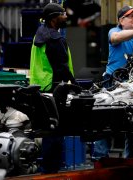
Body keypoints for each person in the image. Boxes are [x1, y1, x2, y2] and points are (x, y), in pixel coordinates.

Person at [92, 5, 133, 159]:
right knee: (104, 121)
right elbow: (115, 39)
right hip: (112, 84)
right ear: (121, 20)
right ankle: (100, 160)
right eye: (131, 16)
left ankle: (131, 161)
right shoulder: (115, 31)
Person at [29, 2, 76, 173]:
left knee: (48, 131)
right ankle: (51, 173)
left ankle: (47, 171)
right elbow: (62, 67)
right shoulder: (55, 38)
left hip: (41, 87)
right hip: (55, 89)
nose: (66, 16)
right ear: (54, 18)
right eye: (62, 14)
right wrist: (75, 86)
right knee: (56, 134)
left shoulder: (39, 34)